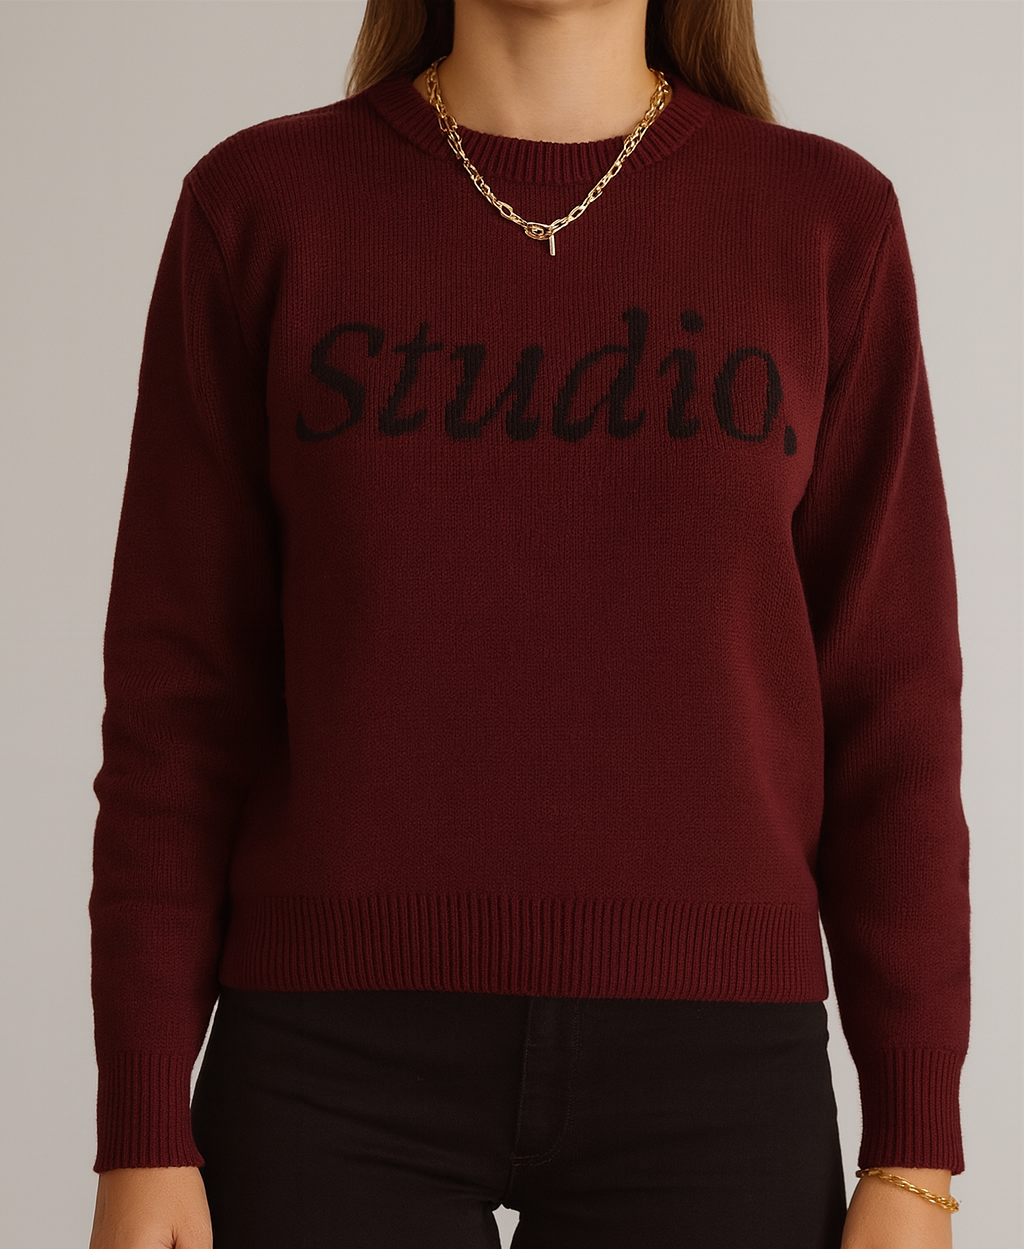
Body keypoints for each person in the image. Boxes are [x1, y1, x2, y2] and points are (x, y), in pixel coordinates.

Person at [86, 0, 970, 1246]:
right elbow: (180, 705)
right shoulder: (260, 206)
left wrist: (914, 1151)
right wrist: (140, 1124)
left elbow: (894, 709)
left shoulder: (825, 220)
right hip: (323, 1066)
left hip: (713, 1079)